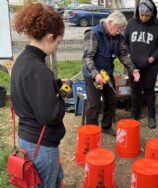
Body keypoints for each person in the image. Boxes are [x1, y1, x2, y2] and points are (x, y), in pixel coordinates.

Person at [11, 3, 65, 187]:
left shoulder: (21, 60)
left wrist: (54, 87)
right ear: (50, 37)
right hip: (41, 145)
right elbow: (49, 116)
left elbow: (30, 92)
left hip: (27, 138)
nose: (57, 46)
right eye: (58, 42)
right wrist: (62, 99)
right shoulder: (39, 70)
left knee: (55, 177)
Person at [82, 11, 140, 136]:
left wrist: (133, 69)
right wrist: (96, 75)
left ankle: (106, 126)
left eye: (121, 29)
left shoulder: (118, 37)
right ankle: (91, 133)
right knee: (94, 105)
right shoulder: (94, 34)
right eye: (118, 28)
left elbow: (123, 55)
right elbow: (87, 58)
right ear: (109, 23)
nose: (119, 31)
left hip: (107, 73)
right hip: (93, 74)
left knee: (111, 100)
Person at [124, 0, 158, 129]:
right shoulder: (131, 23)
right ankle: (134, 115)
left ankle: (151, 117)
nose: (143, 18)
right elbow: (124, 41)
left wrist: (153, 58)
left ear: (152, 14)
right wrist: (129, 53)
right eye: (141, 15)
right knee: (135, 90)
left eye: (146, 15)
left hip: (150, 66)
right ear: (138, 13)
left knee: (149, 91)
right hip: (134, 66)